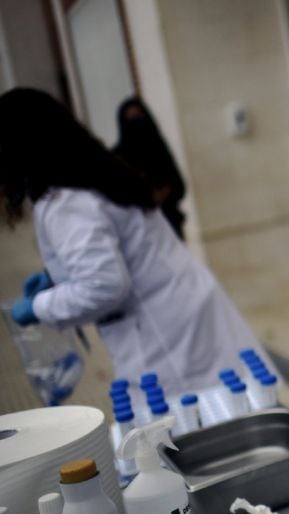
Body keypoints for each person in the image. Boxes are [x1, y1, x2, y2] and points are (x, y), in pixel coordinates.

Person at [0, 88, 274, 398]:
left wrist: (38, 307)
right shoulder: (100, 172)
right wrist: (57, 276)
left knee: (204, 423)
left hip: (164, 337)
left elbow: (105, 285)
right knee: (238, 402)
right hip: (185, 308)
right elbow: (123, 247)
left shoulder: (66, 202)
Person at [114, 96, 188, 240]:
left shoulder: (159, 150)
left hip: (169, 223)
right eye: (131, 120)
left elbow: (178, 187)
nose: (137, 124)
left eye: (139, 117)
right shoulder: (119, 157)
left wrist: (164, 194)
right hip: (139, 232)